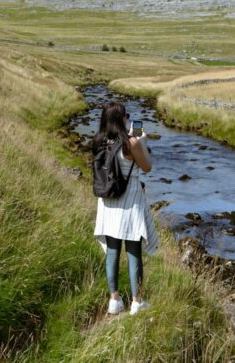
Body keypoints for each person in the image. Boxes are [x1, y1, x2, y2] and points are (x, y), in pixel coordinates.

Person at [93, 101, 158, 315]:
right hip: (130, 202)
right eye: (126, 115)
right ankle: (137, 302)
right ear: (121, 119)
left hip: (108, 201)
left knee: (112, 251)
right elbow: (147, 167)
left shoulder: (99, 141)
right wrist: (142, 142)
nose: (128, 118)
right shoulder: (131, 143)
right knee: (133, 252)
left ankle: (114, 300)